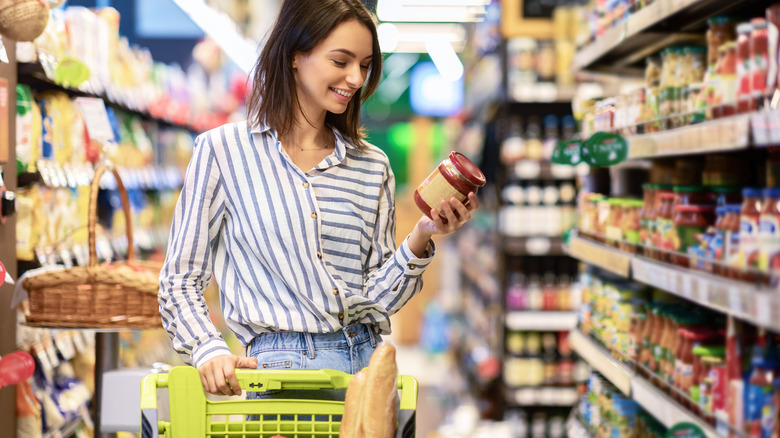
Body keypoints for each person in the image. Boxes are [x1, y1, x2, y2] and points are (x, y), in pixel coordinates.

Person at [158, 0, 479, 398]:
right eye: (341, 60)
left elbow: (376, 299)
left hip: (365, 373)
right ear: (296, 55)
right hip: (279, 377)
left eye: (364, 65)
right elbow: (179, 281)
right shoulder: (223, 152)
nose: (355, 77)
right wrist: (207, 349)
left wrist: (421, 235)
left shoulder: (371, 165)